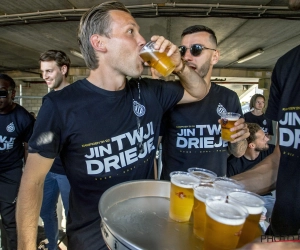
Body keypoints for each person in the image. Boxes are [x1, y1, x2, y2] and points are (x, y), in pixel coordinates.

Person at [16, 1, 212, 249]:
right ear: (99, 43)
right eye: (131, 31)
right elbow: (32, 182)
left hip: (146, 233)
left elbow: (199, 91)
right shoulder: (60, 105)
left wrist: (180, 65)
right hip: (93, 240)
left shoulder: (149, 92)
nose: (142, 40)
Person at [160, 25, 249, 180]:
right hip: (177, 191)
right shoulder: (169, 96)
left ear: (214, 56)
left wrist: (239, 137)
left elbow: (238, 152)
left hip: (214, 191)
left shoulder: (229, 97)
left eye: (196, 49)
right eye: (182, 50)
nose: (187, 57)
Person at [233, 44, 300, 248]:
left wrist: (289, 246)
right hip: (280, 232)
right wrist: (222, 187)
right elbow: (282, 160)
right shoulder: (287, 65)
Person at [38, 50, 71, 250]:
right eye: (42, 72)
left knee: (73, 215)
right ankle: (52, 244)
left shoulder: (79, 98)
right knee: (45, 211)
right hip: (49, 168)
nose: (45, 76)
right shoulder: (47, 100)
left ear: (63, 69)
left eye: (49, 71)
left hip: (69, 171)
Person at [0, 73, 35, 250]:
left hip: (10, 175)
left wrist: (28, 177)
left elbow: (29, 148)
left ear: (13, 94)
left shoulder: (22, 118)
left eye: (2, 93)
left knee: (10, 221)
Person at [227, 123, 275, 223]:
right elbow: (233, 195)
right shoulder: (233, 163)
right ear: (251, 145)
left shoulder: (271, 151)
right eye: (263, 138)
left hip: (266, 198)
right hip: (244, 200)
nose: (267, 139)